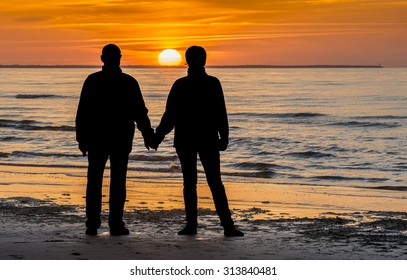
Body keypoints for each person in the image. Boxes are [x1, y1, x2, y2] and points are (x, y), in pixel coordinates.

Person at [153, 46, 244, 237]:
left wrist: (157, 137)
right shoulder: (211, 83)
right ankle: (226, 226)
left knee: (191, 183)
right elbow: (221, 112)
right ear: (204, 60)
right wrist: (224, 136)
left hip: (188, 139)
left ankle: (193, 225)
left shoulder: (181, 85)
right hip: (206, 139)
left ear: (187, 61)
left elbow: (170, 116)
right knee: (214, 182)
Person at [75, 44, 153, 236]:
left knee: (94, 180)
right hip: (119, 138)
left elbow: (82, 112)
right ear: (119, 58)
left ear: (102, 59)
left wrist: (81, 139)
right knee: (117, 181)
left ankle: (92, 224)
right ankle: (115, 224)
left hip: (97, 138)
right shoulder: (128, 82)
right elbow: (140, 112)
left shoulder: (93, 80)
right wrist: (148, 134)